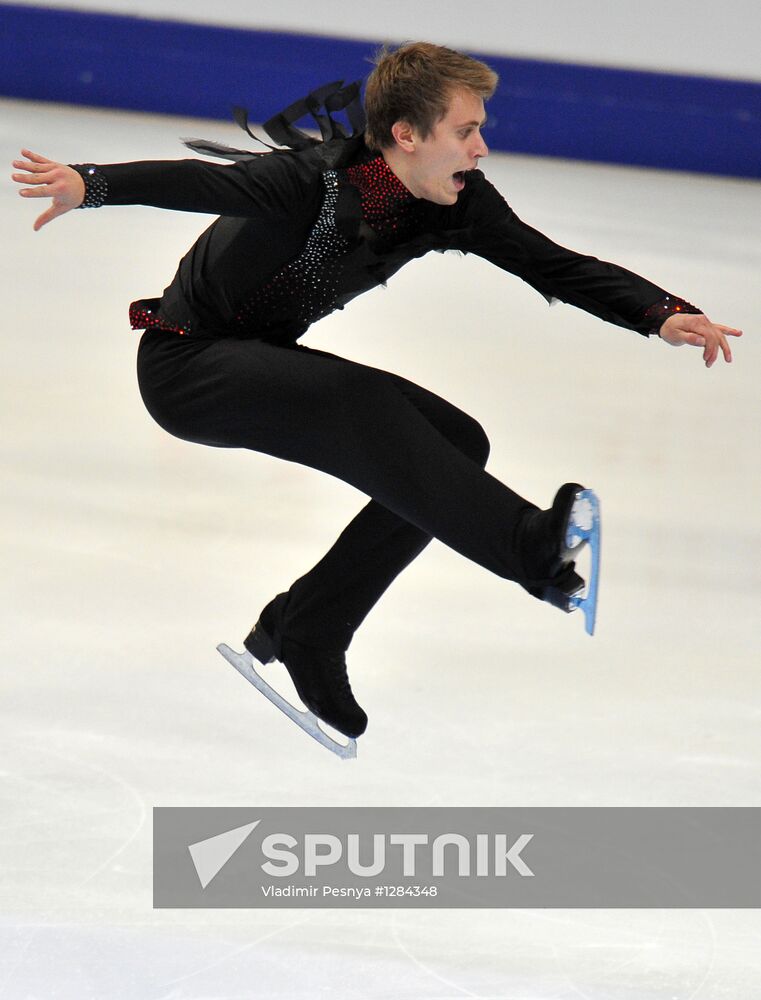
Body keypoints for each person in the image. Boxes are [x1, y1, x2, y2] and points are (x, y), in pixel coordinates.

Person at [12, 42, 741, 744]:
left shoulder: (453, 201)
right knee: (362, 409)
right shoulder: (310, 183)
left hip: (258, 356)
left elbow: (552, 265)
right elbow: (199, 183)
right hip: (186, 366)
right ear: (406, 135)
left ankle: (308, 630)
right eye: (466, 131)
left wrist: (658, 312)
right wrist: (89, 184)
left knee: (457, 443)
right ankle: (528, 547)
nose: (480, 149)